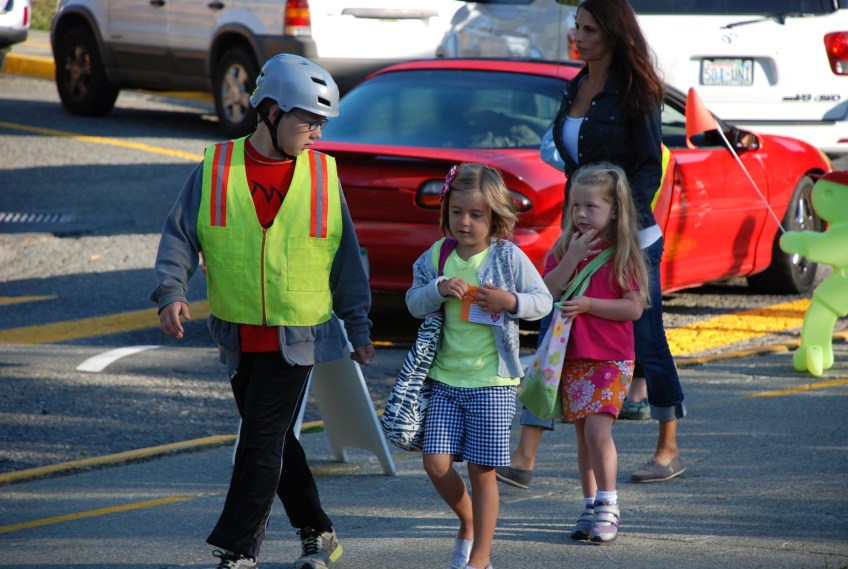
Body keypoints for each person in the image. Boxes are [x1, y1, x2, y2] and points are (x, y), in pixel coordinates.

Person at [150, 54, 374, 569]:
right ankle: (319, 532)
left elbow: (344, 257)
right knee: (274, 441)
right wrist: (171, 291)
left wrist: (358, 325)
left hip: (298, 336)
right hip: (237, 334)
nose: (318, 133)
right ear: (272, 112)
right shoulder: (217, 168)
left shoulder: (322, 176)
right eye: (309, 121)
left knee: (258, 442)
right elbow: (180, 235)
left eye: (322, 123)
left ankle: (238, 550)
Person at [496, 0, 686, 489]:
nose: (578, 37)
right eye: (576, 27)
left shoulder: (638, 89)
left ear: (615, 34)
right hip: (579, 230)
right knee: (556, 329)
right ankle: (525, 456)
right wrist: (580, 221)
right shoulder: (576, 85)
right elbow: (571, 160)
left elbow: (649, 166)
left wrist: (618, 225)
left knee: (647, 338)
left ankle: (668, 448)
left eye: (590, 30)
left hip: (630, 237)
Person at [405, 163, 552, 569]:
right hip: (445, 380)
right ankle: (468, 522)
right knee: (435, 463)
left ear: (495, 217)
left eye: (475, 214)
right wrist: (436, 289)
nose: (464, 222)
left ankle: (480, 558)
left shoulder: (507, 256)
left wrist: (512, 301)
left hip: (493, 383)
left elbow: (543, 301)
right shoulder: (439, 254)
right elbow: (413, 302)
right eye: (456, 212)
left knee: (481, 470)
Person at [547, 163, 649, 544]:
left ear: (615, 210)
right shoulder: (564, 248)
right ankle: (589, 505)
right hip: (574, 358)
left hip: (611, 359)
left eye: (591, 206)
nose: (581, 214)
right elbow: (547, 291)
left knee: (597, 430)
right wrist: (571, 258)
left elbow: (633, 308)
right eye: (576, 206)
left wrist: (590, 305)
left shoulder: (623, 253)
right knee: (583, 438)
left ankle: (609, 504)